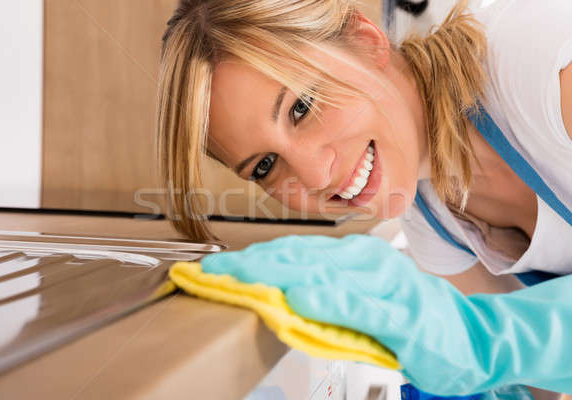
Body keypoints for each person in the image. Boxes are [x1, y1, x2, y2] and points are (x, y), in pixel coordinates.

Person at [156, 0, 572, 396]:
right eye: (265, 166)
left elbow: (494, 345)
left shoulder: (540, 63)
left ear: (366, 40)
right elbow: (529, 379)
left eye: (302, 106)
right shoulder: (433, 221)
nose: (316, 175)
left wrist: (483, 343)